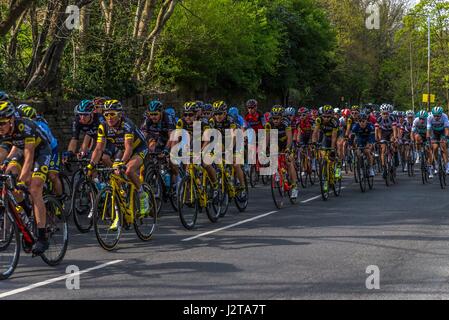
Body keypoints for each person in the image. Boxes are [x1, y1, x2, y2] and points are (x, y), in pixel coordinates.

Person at [0, 101, 52, 255]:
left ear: (11, 120)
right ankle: (27, 212)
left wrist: (22, 181)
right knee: (9, 179)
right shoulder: (3, 131)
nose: (0, 126)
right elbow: (3, 152)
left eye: (2, 123)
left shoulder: (25, 126)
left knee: (34, 188)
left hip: (41, 152)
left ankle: (42, 237)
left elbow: (29, 156)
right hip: (20, 150)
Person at [88, 100, 150, 228]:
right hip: (122, 149)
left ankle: (142, 194)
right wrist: (92, 164)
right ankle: (119, 206)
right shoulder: (103, 127)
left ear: (120, 114)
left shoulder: (127, 124)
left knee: (128, 170)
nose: (109, 118)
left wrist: (121, 163)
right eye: (106, 114)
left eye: (112, 114)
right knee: (114, 176)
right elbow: (99, 149)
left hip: (138, 148)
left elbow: (129, 148)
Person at [265, 105, 298, 199]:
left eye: (277, 118)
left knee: (289, 161)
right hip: (276, 142)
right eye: (274, 118)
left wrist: (288, 148)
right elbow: (267, 138)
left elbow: (290, 137)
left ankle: (295, 186)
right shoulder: (269, 124)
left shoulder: (286, 123)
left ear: (282, 117)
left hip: (286, 142)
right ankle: (278, 172)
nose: (275, 120)